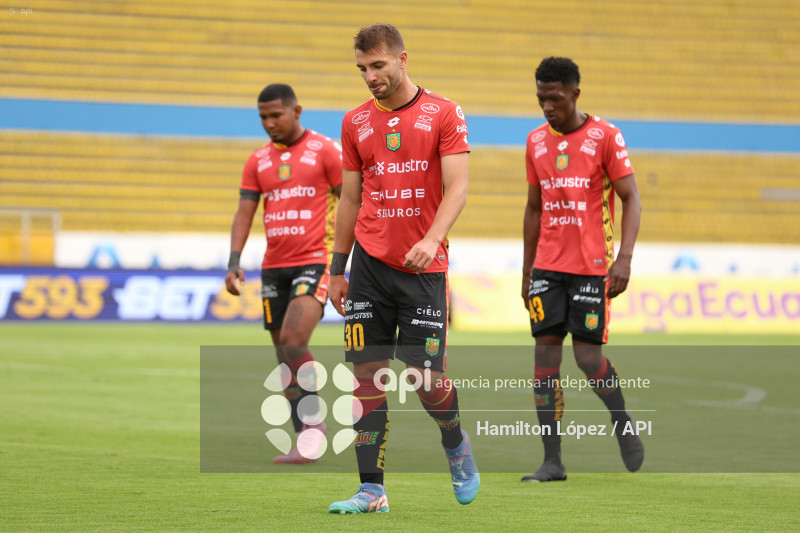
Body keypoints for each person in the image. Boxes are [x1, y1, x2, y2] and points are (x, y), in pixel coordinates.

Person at [326, 23, 479, 514]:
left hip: (424, 269)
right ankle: (371, 490)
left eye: (378, 66)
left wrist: (432, 238)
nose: (370, 76)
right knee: (365, 376)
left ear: (402, 59)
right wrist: (336, 269)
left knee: (424, 380)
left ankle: (455, 445)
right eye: (362, 69)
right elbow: (350, 198)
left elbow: (457, 187)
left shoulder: (444, 113)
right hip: (369, 266)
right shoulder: (355, 123)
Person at [521, 57, 644, 482]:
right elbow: (534, 208)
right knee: (544, 359)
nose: (547, 106)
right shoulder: (535, 141)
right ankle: (552, 460)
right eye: (541, 98)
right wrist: (526, 270)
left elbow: (631, 197)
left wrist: (623, 258)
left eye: (554, 98)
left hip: (591, 268)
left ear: (575, 93)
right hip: (547, 268)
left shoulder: (606, 136)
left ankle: (622, 419)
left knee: (588, 359)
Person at [225, 83, 342, 464]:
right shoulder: (256, 160)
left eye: (276, 115)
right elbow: (245, 211)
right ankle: (305, 440)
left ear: (297, 111)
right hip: (274, 266)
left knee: (293, 339)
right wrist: (234, 260)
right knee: (283, 355)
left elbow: (352, 200)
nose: (269, 123)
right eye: (263, 117)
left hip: (315, 258)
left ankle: (316, 428)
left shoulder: (325, 150)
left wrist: (348, 261)